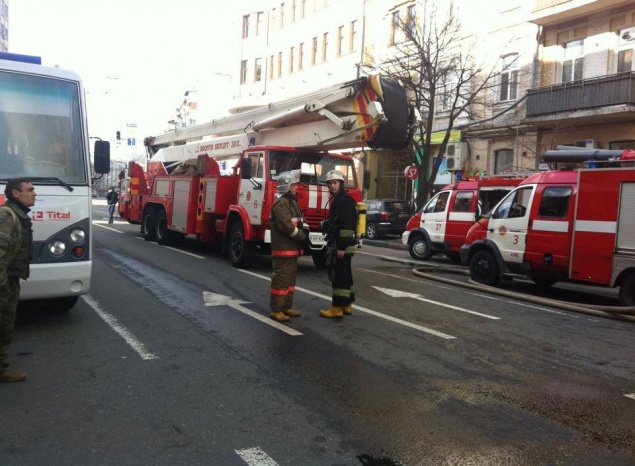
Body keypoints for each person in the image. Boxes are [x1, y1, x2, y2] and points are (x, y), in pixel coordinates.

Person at [0, 178, 36, 382]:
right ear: (15, 193)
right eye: (30, 190)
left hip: (10, 281)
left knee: (6, 326)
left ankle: (2, 368)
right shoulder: (6, 215)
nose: (34, 193)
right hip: (3, 283)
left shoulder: (19, 216)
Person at [269, 170, 311, 322]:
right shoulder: (281, 204)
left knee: (290, 279)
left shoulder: (292, 203)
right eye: (294, 185)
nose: (297, 188)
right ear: (286, 187)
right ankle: (276, 309)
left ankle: (286, 306)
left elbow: (302, 220)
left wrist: (306, 231)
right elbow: (286, 226)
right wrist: (302, 237)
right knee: (281, 279)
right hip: (283, 249)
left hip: (292, 249)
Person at [319, 170, 357, 318]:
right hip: (343, 244)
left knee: (339, 275)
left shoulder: (344, 201)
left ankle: (336, 308)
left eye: (335, 183)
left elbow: (347, 227)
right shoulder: (339, 200)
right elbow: (338, 222)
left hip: (342, 245)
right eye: (330, 183)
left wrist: (341, 247)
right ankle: (347, 304)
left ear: (340, 183)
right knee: (346, 274)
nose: (332, 185)